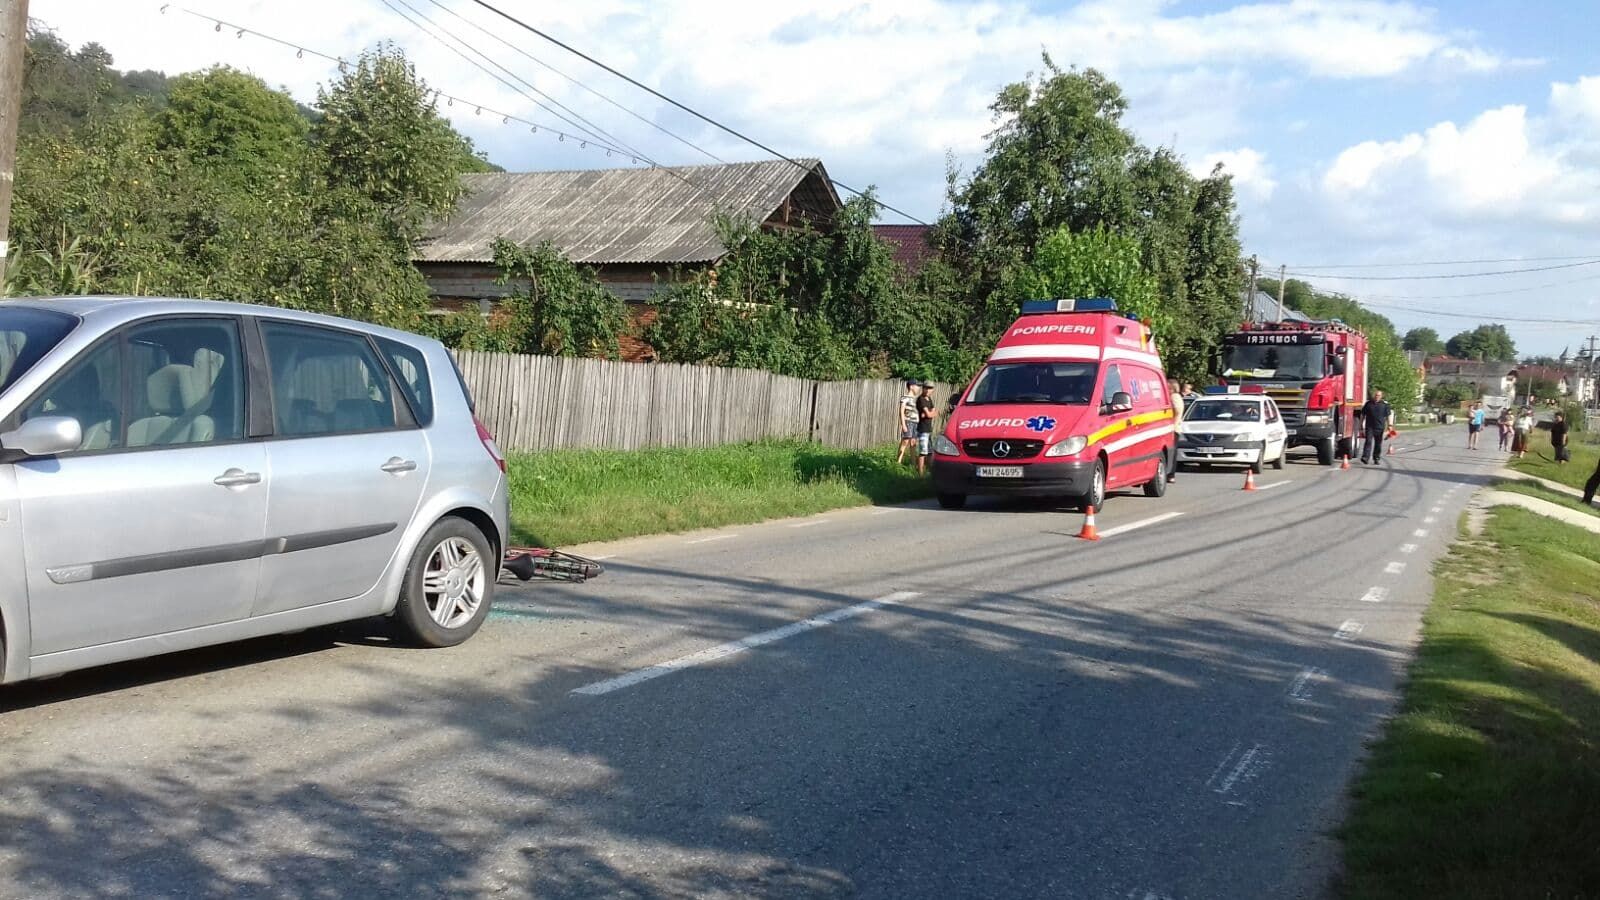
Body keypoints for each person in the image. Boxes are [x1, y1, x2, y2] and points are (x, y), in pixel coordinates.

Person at [1359, 390, 1392, 464]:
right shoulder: (1368, 404)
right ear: (1374, 395)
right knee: (1368, 441)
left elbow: (1388, 416)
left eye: (1379, 395)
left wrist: (1390, 425)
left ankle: (1376, 458)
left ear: (1381, 396)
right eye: (1376, 395)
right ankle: (1365, 457)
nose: (1377, 396)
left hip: (1380, 427)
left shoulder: (1384, 405)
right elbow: (1363, 415)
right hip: (1369, 426)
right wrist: (1360, 424)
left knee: (1378, 443)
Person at [915, 382, 937, 475]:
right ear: (923, 388)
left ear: (932, 389)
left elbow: (934, 411)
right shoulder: (921, 399)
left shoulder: (929, 399)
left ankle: (930, 471)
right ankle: (920, 474)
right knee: (923, 452)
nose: (928, 390)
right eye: (926, 388)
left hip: (928, 429)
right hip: (923, 429)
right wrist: (930, 414)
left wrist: (930, 413)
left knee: (930, 451)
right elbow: (929, 414)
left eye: (930, 388)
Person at [895, 380, 918, 464]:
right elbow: (901, 411)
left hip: (916, 423)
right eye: (916, 386)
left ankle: (913, 463)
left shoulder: (916, 399)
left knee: (913, 442)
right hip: (908, 422)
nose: (918, 388)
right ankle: (898, 462)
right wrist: (903, 424)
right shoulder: (905, 397)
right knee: (905, 441)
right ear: (911, 387)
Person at [1167, 379, 1184, 483]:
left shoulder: (1174, 397)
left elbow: (1177, 410)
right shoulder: (1175, 396)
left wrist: (1173, 424)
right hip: (1174, 427)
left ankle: (1171, 474)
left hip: (1174, 428)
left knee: (1172, 452)